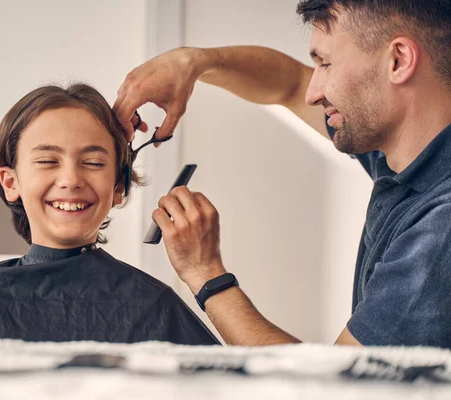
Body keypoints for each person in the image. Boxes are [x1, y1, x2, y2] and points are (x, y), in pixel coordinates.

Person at [114, 0, 451, 348]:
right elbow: (287, 84)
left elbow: (334, 387)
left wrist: (205, 273)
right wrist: (194, 62)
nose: (313, 92)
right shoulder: (401, 153)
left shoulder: (441, 228)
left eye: (326, 63)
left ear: (398, 61)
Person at [0, 83, 219, 345]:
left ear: (118, 187)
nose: (71, 179)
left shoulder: (155, 306)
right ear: (11, 182)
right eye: (47, 161)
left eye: (93, 162)